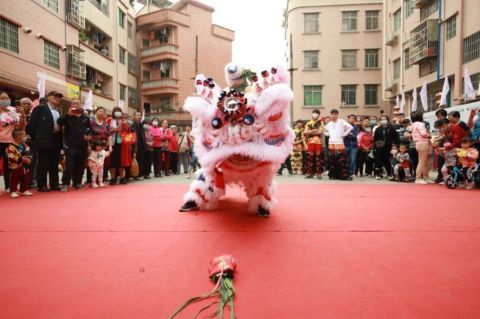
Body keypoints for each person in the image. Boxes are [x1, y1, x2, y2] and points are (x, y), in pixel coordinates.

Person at [27, 92, 63, 192]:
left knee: (54, 163)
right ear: (49, 97)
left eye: (59, 98)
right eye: (55, 97)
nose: (57, 99)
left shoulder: (58, 111)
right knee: (43, 163)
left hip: (56, 139)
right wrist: (36, 138)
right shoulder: (40, 108)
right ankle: (41, 185)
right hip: (43, 139)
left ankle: (54, 184)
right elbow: (32, 125)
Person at [57, 100, 91, 191]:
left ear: (80, 106)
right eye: (73, 104)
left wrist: (88, 137)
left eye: (77, 104)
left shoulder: (85, 118)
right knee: (69, 165)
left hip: (82, 145)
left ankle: (77, 183)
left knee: (80, 165)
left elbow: (89, 130)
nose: (75, 105)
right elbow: (59, 122)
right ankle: (65, 184)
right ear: (70, 105)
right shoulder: (67, 116)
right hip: (70, 145)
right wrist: (68, 114)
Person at [0, 92, 25, 192]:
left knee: (9, 165)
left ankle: (9, 186)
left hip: (11, 141)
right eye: (2, 98)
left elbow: (20, 126)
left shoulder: (13, 111)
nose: (5, 100)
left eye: (7, 98)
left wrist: (22, 115)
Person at [324, 109, 352, 180]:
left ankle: (343, 175)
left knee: (341, 159)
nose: (333, 115)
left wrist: (344, 134)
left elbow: (350, 127)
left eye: (334, 114)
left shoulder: (341, 121)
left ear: (337, 115)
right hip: (331, 143)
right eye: (332, 114)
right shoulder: (329, 124)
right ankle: (333, 175)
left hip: (339, 142)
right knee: (332, 160)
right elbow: (324, 130)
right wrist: (329, 135)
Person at [109, 107, 133, 184]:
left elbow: (128, 130)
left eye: (119, 111)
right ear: (113, 112)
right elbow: (106, 131)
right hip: (112, 143)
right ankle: (113, 178)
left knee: (122, 161)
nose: (117, 112)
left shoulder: (123, 120)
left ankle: (122, 177)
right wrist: (113, 130)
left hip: (122, 143)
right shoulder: (109, 120)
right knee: (112, 161)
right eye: (116, 111)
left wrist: (124, 123)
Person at [6, 129, 33, 198]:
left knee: (25, 177)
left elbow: (29, 153)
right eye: (23, 135)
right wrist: (21, 159)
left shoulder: (25, 145)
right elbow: (11, 156)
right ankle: (13, 191)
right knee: (14, 178)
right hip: (15, 166)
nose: (25, 137)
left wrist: (29, 158)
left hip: (25, 166)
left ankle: (24, 189)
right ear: (17, 136)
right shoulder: (11, 147)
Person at [373, 115, 399, 180]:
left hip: (388, 146)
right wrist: (375, 147)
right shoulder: (378, 129)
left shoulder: (392, 128)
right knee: (378, 160)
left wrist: (395, 145)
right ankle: (378, 173)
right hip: (379, 147)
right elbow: (375, 139)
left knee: (387, 160)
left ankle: (389, 173)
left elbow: (396, 138)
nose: (383, 120)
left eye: (384, 119)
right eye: (382, 119)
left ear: (387, 120)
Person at [410, 111, 431, 184]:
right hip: (423, 142)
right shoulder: (421, 124)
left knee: (424, 161)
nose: (423, 117)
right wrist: (429, 135)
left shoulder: (413, 124)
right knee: (422, 161)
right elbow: (423, 134)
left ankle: (425, 176)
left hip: (418, 143)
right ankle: (418, 178)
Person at [303, 110, 324, 179]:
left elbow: (320, 132)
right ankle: (310, 173)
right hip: (310, 142)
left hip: (318, 142)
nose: (315, 114)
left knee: (318, 158)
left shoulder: (321, 122)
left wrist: (310, 132)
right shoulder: (308, 123)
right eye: (314, 113)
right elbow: (305, 132)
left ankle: (319, 173)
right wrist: (314, 130)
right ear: (312, 114)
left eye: (317, 113)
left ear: (318, 115)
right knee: (310, 158)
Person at [131, 112, 147, 181]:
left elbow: (143, 136)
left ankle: (140, 174)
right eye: (137, 115)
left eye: (140, 115)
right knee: (135, 160)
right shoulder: (132, 124)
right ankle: (134, 175)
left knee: (141, 160)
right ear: (134, 116)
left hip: (142, 145)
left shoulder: (141, 125)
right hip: (135, 145)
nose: (139, 116)